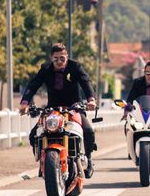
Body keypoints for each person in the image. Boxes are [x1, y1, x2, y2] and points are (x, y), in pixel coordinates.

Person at [19, 43, 97, 177]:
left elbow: (86, 81)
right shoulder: (45, 68)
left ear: (67, 57)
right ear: (51, 58)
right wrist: (25, 103)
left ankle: (88, 160)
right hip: (52, 109)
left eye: (62, 58)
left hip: (74, 107)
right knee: (33, 135)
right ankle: (43, 162)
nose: (59, 62)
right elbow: (33, 84)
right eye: (56, 59)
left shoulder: (75, 67)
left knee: (89, 131)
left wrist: (91, 99)